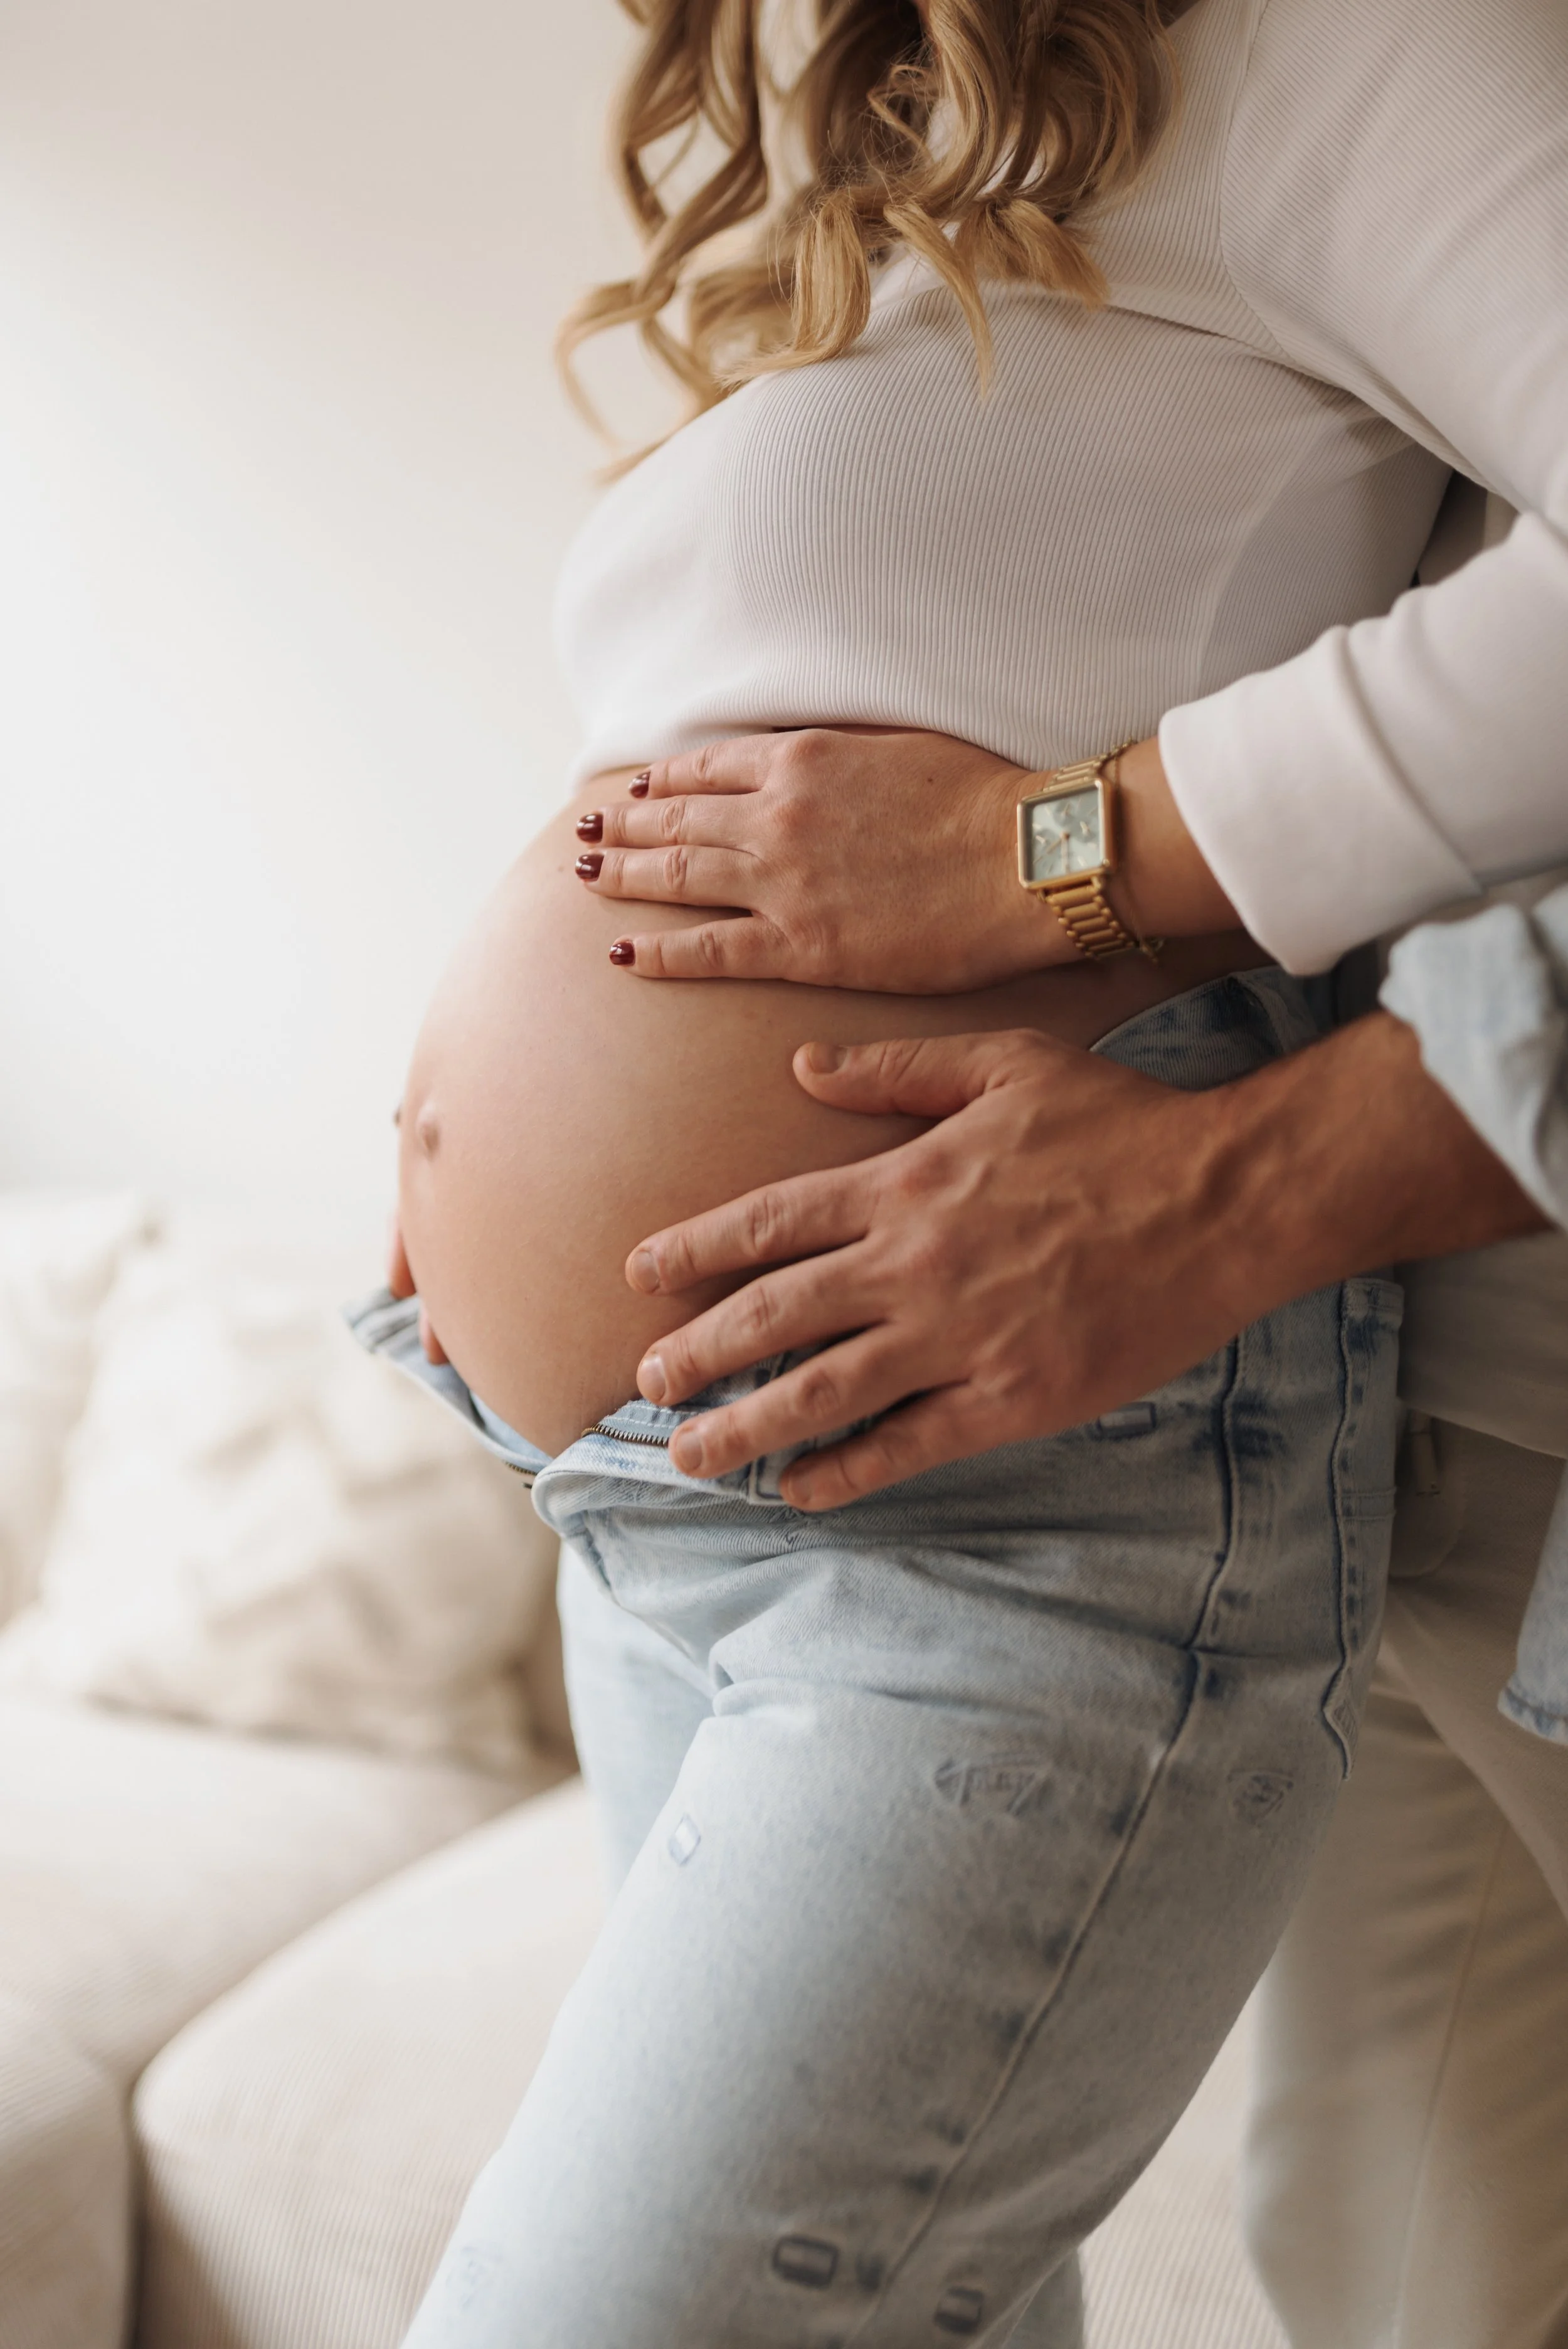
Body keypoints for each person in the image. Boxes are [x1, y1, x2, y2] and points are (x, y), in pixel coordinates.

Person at [363, 0, 1568, 2339]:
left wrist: (1059, 857)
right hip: (667, 1475)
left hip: (1018, 1467)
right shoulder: (936, 135)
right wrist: (477, 1109)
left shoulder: (1323, 39)